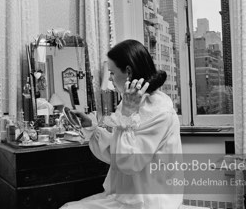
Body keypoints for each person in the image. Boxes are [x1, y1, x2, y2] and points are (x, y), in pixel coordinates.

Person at [61, 39, 183, 209]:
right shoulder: (130, 104)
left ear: (128, 72)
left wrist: (126, 114)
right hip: (129, 195)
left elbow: (129, 163)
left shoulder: (160, 111)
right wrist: (92, 127)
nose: (110, 79)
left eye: (112, 72)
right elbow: (117, 153)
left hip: (150, 201)